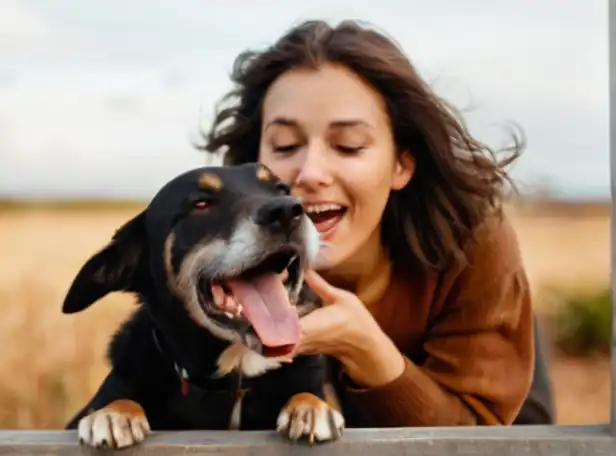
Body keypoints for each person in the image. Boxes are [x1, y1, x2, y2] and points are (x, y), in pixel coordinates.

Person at [199, 19, 555, 427]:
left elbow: (481, 436)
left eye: (348, 146)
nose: (311, 172)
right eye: (286, 146)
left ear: (402, 163)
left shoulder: (470, 240)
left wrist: (364, 349)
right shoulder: (219, 256)